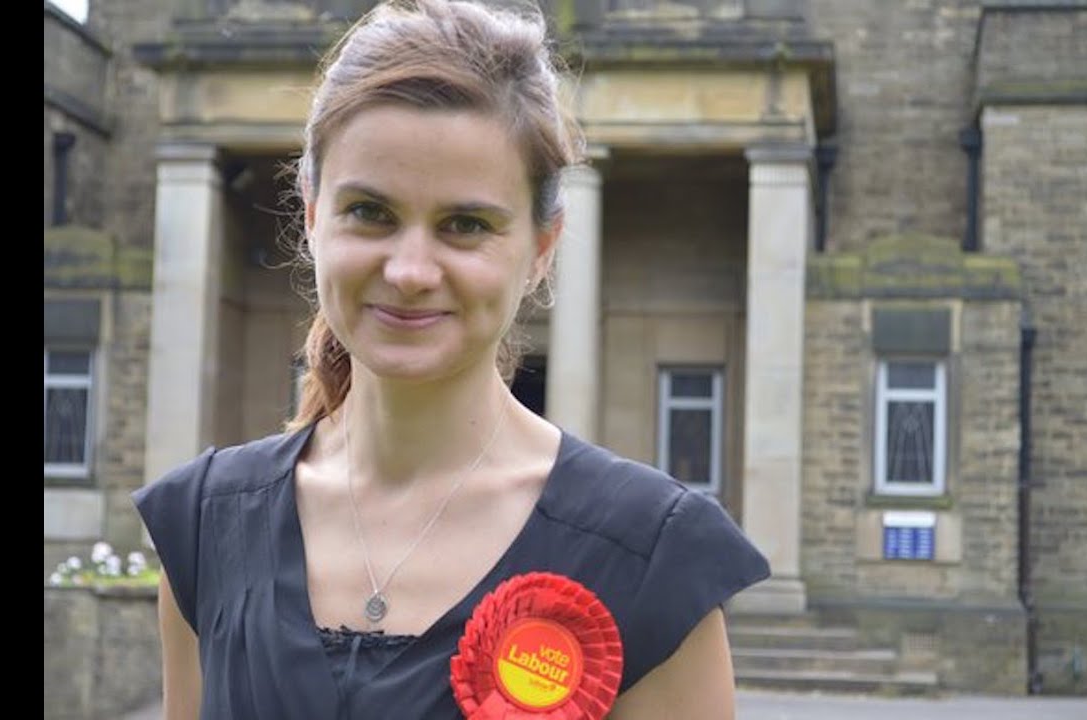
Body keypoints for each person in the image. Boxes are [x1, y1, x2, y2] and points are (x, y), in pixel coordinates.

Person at [132, 0, 770, 717]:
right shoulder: (205, 525)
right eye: (370, 212)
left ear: (540, 249)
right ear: (312, 216)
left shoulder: (651, 558)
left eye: (465, 224)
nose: (409, 269)